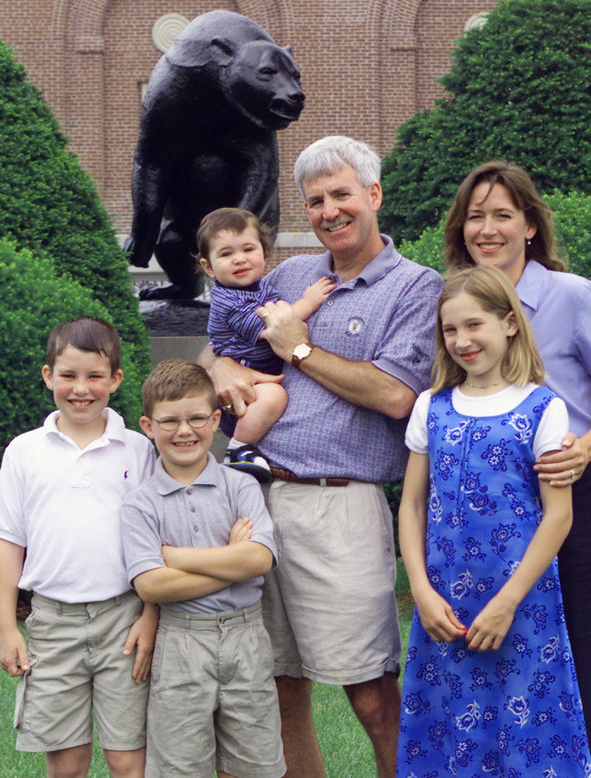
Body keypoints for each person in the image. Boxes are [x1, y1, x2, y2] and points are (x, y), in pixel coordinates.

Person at [202, 136, 443, 777]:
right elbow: (217, 348)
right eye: (314, 201)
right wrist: (223, 363)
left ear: (373, 195)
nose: (329, 211)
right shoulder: (285, 276)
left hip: (341, 504)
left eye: (341, 195)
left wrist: (301, 350)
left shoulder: (417, 288)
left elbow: (396, 395)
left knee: (369, 692)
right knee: (276, 685)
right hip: (255, 502)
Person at [443, 159, 591, 777]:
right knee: (499, 662)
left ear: (530, 224)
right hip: (487, 508)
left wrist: (587, 447)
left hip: (571, 494)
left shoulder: (570, 294)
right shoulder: (452, 302)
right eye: (476, 216)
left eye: (503, 214)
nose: (488, 228)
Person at [396, 265, 591, 776]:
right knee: (447, 729)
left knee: (525, 730)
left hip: (521, 606)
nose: (461, 340)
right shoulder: (430, 407)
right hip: (444, 606)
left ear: (509, 323)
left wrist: (506, 604)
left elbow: (558, 517)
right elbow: (413, 505)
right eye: (450, 329)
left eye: (474, 325)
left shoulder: (543, 409)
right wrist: (419, 589)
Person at [0, 316, 157, 778]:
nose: (80, 388)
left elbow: (156, 544)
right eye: (68, 375)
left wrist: (150, 615)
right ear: (48, 377)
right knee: (67, 764)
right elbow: (8, 542)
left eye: (94, 376)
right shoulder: (24, 451)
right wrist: (7, 628)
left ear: (116, 380)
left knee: (127, 760)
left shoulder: (139, 450)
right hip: (52, 623)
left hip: (124, 622)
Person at [120, 359, 285, 778]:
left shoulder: (241, 485)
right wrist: (232, 562)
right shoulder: (141, 503)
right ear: (147, 425)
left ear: (215, 419)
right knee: (180, 765)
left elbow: (259, 559)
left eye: (196, 418)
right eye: (169, 421)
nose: (184, 431)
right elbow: (152, 587)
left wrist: (177, 558)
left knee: (254, 764)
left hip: (246, 638)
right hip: (181, 643)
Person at [197, 207, 335, 482]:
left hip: (258, 370)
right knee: (276, 397)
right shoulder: (229, 300)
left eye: (248, 249)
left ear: (265, 253)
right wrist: (308, 302)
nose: (239, 259)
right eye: (226, 254)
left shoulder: (257, 287)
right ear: (208, 267)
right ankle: (237, 450)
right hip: (246, 378)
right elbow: (273, 328)